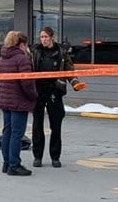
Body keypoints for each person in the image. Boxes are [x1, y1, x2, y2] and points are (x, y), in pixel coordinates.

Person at [30, 27, 86, 168]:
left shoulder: (61, 52)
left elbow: (69, 69)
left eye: (46, 37)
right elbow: (27, 69)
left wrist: (75, 83)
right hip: (38, 92)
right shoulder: (35, 51)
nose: (43, 39)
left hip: (55, 92)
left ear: (52, 37)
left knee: (56, 126)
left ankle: (55, 157)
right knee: (37, 126)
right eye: (41, 37)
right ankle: (37, 157)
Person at [0, 31, 38, 176]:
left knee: (7, 132)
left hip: (5, 100)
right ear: (21, 44)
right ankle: (14, 164)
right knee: (17, 133)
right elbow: (27, 83)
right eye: (26, 44)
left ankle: (6, 163)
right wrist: (33, 97)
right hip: (19, 101)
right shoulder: (22, 59)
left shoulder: (3, 58)